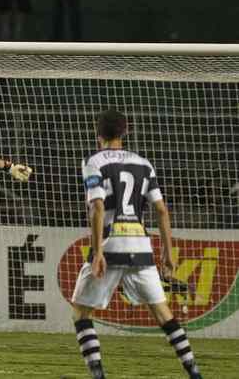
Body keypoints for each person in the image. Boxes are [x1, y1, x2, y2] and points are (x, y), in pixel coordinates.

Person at [71, 110, 203, 379]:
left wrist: (97, 253)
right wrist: (167, 253)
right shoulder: (143, 163)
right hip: (142, 247)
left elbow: (97, 207)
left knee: (81, 312)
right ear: (125, 132)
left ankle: (98, 374)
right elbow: (162, 210)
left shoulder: (94, 161)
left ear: (99, 135)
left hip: (111, 243)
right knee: (163, 313)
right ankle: (194, 371)